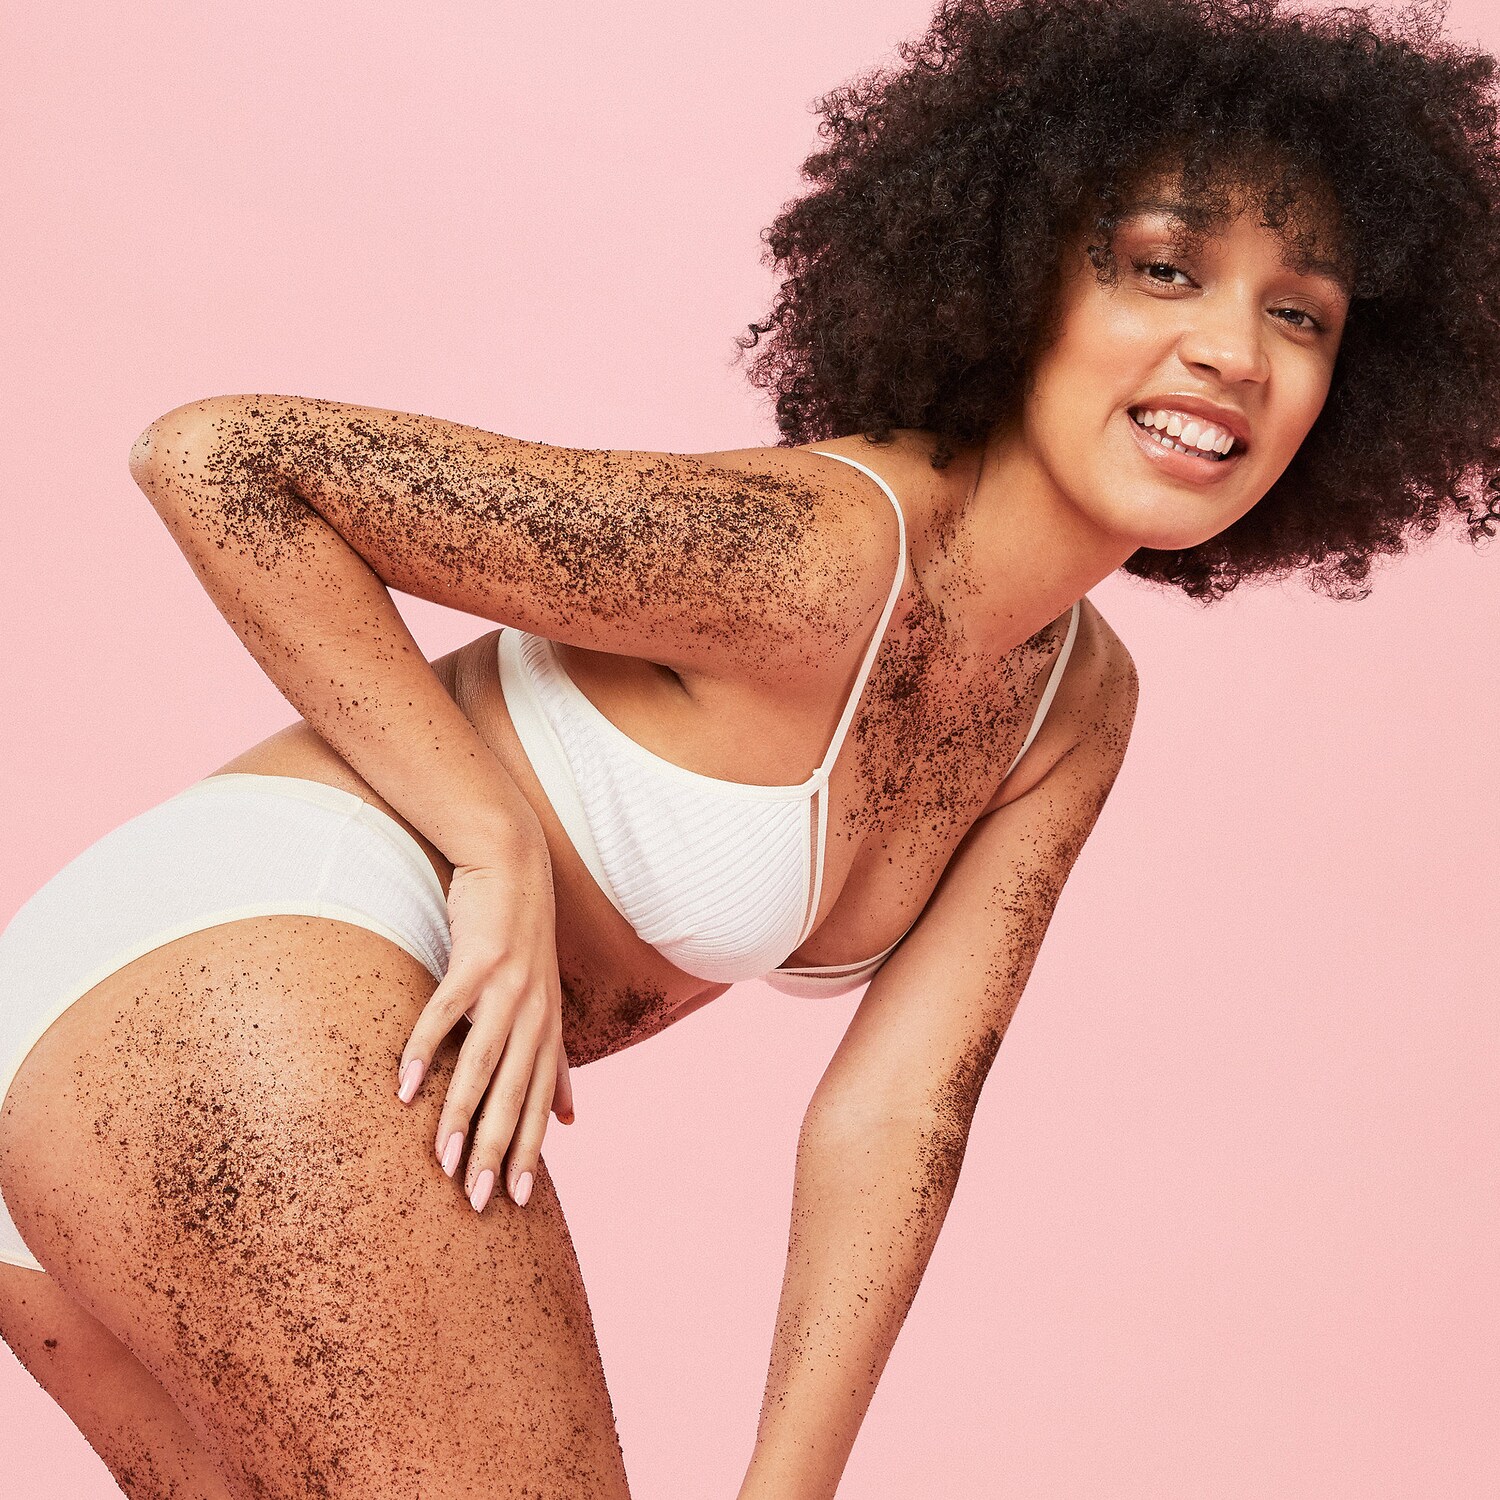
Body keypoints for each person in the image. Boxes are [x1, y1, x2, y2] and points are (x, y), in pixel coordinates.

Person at [1, 0, 1497, 1494]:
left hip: (131, 1041)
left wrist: (789, 1487)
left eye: (1301, 313)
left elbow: (897, 1114)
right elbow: (224, 460)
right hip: (236, 973)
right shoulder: (823, 552)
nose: (1232, 350)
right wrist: (490, 843)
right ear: (1015, 270)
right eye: (1165, 269)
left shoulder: (1075, 706)